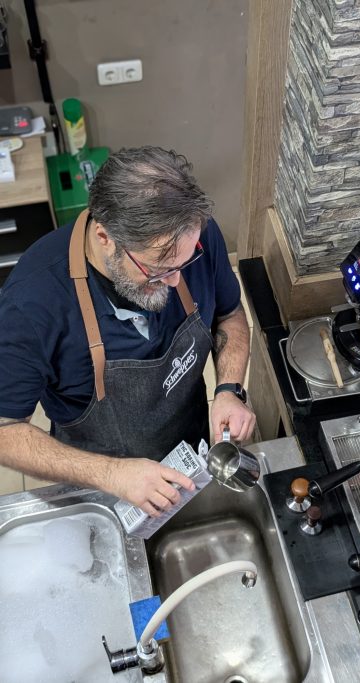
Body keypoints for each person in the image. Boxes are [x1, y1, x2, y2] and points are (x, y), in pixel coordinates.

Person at [0, 146, 256, 516]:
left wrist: (230, 389)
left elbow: (230, 316)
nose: (174, 281)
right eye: (157, 269)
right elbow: (6, 432)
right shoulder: (31, 304)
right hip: (101, 486)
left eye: (184, 264)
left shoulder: (190, 239)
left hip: (191, 450)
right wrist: (113, 474)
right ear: (104, 237)